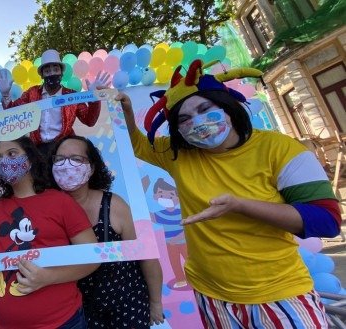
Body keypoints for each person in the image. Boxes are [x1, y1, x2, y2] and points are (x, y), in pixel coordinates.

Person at [117, 59, 341, 328]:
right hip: (211, 297)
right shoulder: (180, 155)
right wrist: (127, 113)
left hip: (281, 295)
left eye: (204, 108)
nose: (197, 122)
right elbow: (139, 146)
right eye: (184, 119)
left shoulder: (281, 150)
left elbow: (326, 221)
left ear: (226, 106)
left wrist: (240, 205)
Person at [0, 136, 165, 328]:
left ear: (92, 167)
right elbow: (28, 253)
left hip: (124, 305)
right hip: (79, 309)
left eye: (76, 159)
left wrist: (155, 302)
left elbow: (147, 257)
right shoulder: (47, 205)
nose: (66, 165)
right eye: (59, 160)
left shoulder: (114, 206)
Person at [0, 136, 99, 329]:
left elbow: (94, 257)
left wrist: (48, 277)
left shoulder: (60, 202)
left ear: (29, 159)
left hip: (61, 322)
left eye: (12, 154)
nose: (5, 161)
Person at [0, 49, 110, 154]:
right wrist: (5, 94)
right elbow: (13, 113)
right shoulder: (32, 93)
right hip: (38, 150)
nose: (52, 73)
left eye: (55, 69)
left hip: (64, 149)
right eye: (47, 70)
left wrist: (93, 97)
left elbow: (89, 121)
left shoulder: (71, 95)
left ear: (61, 73)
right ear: (42, 75)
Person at [151, 178, 188, 289]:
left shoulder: (182, 212)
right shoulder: (160, 214)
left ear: (178, 198)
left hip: (184, 242)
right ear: (155, 197)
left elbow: (186, 229)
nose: (166, 197)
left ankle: (197, 277)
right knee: (174, 262)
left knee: (189, 259)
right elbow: (148, 216)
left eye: (171, 195)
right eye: (161, 194)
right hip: (170, 244)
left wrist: (176, 238)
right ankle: (180, 280)